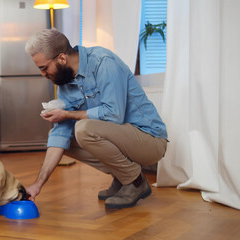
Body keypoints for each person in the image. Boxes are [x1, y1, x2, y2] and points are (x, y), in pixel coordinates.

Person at [24, 29, 168, 209]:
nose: (43, 74)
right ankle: (123, 177)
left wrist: (68, 114)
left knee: (84, 129)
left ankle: (135, 181)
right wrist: (38, 184)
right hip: (123, 140)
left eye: (44, 68)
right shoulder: (65, 81)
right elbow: (60, 134)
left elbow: (114, 114)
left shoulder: (103, 62)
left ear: (61, 58)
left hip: (150, 141)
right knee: (62, 137)